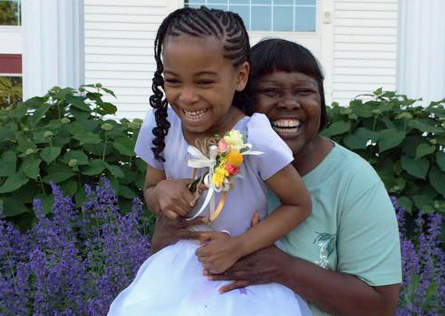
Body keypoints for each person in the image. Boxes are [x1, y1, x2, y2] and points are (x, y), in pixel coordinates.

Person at [151, 38, 402, 316]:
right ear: (240, 99)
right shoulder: (211, 161)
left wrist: (283, 268)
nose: (290, 103)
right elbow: (168, 272)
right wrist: (165, 235)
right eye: (270, 91)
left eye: (305, 91)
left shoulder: (353, 180)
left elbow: (380, 304)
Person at [107, 8, 312, 316]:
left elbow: (298, 204)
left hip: (240, 274)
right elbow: (150, 190)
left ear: (240, 76)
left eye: (204, 82)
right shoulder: (162, 124)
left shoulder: (254, 135)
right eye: (174, 81)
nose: (187, 97)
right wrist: (160, 192)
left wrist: (240, 246)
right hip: (174, 274)